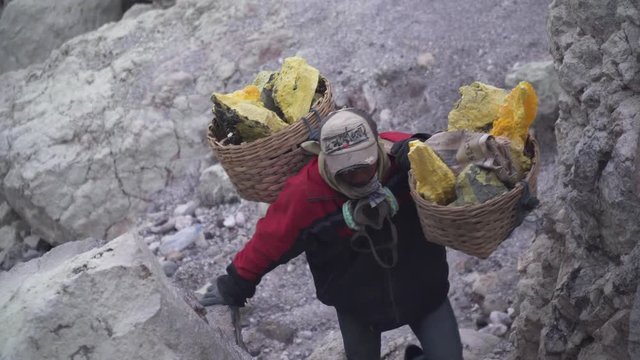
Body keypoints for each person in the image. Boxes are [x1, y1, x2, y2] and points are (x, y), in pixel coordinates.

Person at [200, 108, 463, 360]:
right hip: (359, 308)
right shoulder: (307, 194)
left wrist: (423, 151)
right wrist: (233, 286)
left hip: (425, 291)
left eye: (364, 166)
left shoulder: (402, 155)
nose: (358, 176)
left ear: (376, 147)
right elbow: (270, 240)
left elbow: (455, 158)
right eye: (347, 171)